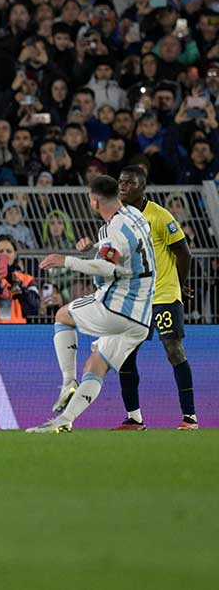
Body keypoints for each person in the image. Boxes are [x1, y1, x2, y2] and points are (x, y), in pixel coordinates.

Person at [29, 175, 155, 433]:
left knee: (63, 315)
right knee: (96, 364)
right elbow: (126, 247)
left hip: (118, 306)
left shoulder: (112, 230)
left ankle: (66, 383)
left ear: (94, 202)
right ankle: (63, 421)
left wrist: (68, 260)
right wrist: (96, 247)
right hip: (142, 318)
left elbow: (106, 266)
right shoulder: (134, 214)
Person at [108, 166, 196, 430]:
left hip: (164, 295)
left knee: (174, 350)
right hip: (136, 300)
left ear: (142, 187)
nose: (122, 186)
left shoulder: (159, 216)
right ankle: (134, 418)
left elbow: (184, 253)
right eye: (120, 182)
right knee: (125, 355)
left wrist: (178, 286)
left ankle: (190, 417)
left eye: (129, 183)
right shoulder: (117, 219)